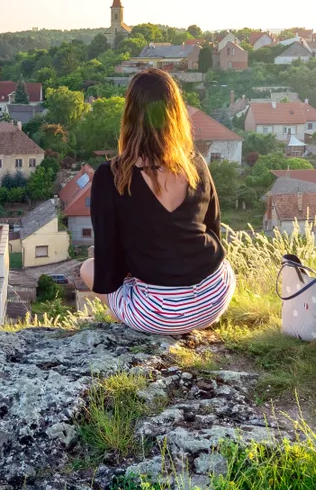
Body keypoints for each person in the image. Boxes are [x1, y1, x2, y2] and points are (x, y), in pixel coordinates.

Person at [79, 68, 235, 335]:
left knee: (86, 268)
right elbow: (213, 228)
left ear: (130, 115)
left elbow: (106, 267)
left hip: (160, 314)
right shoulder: (196, 162)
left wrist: (135, 269)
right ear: (175, 114)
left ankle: (149, 319)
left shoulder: (112, 176)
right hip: (215, 296)